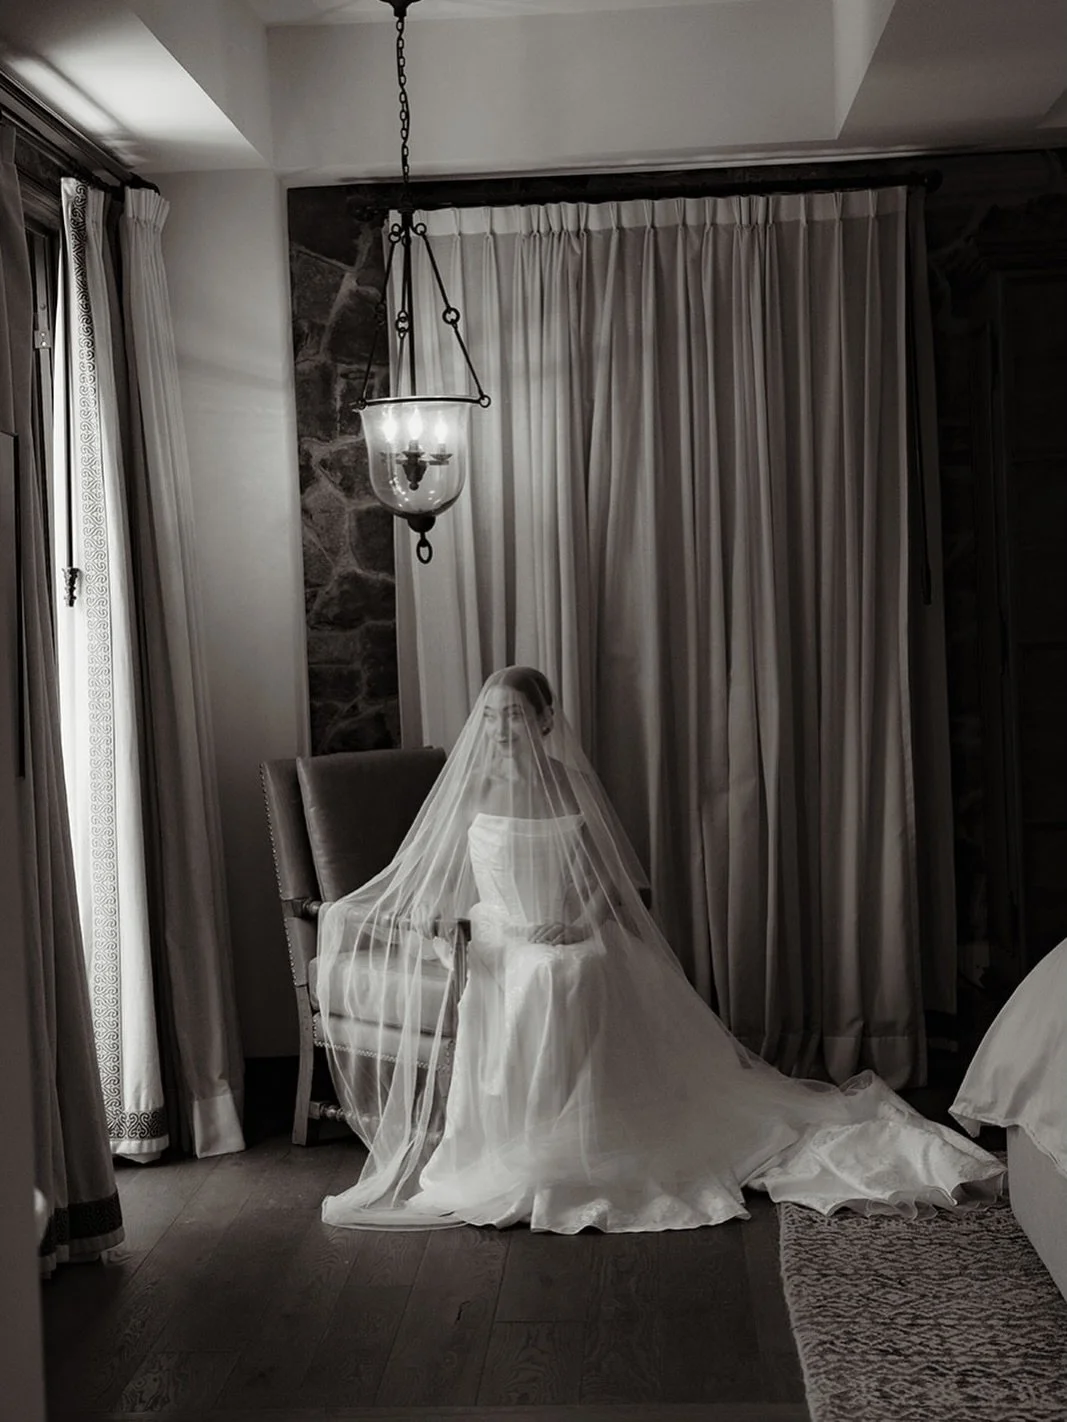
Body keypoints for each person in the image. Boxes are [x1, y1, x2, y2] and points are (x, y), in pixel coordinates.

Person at [317, 666, 1004, 1233]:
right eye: (491, 714)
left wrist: (577, 924)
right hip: (496, 930)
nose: (500, 727)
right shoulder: (469, 788)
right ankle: (513, 1144)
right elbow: (442, 880)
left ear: (544, 719)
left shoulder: (565, 782)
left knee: (574, 969)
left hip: (568, 929)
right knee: (537, 977)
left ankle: (581, 1135)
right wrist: (448, 927)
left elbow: (610, 884)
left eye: (514, 715)